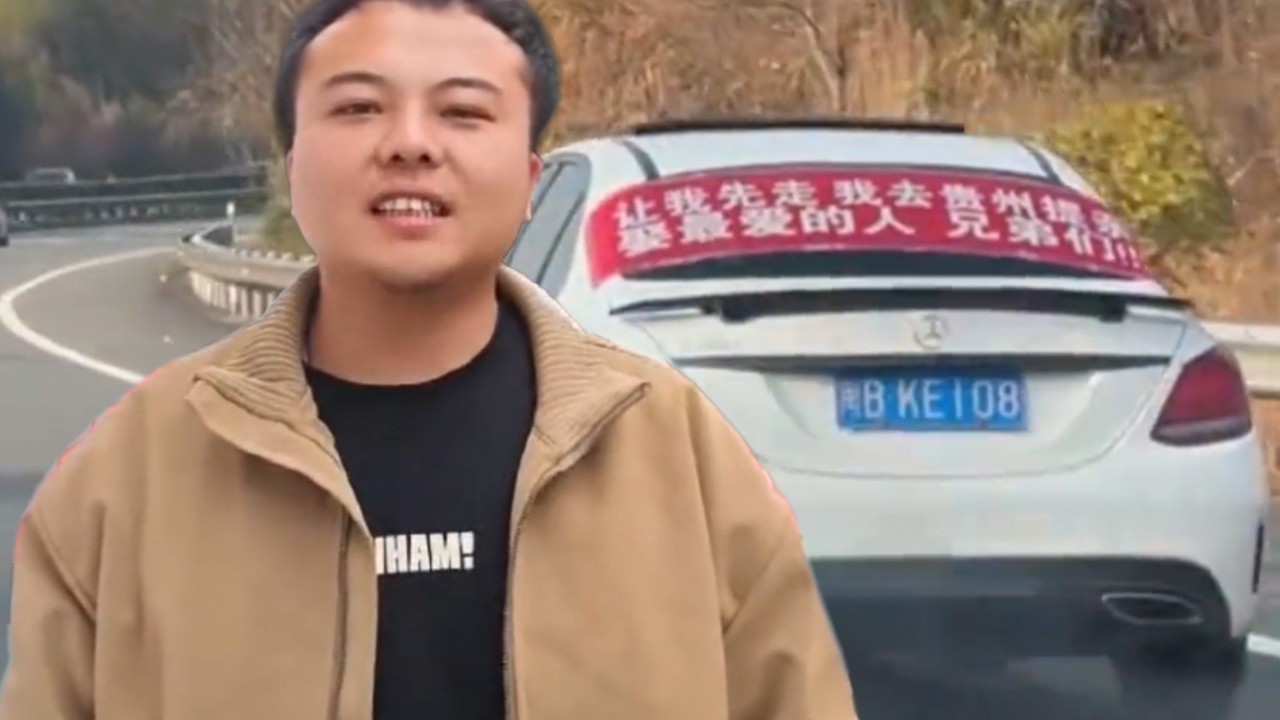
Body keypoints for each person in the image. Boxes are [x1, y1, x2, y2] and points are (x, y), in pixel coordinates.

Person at [0, 0, 859, 718]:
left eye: (463, 113)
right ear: (293, 168)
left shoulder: (678, 458)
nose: (410, 144)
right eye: (358, 108)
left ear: (530, 181)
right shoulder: (127, 479)